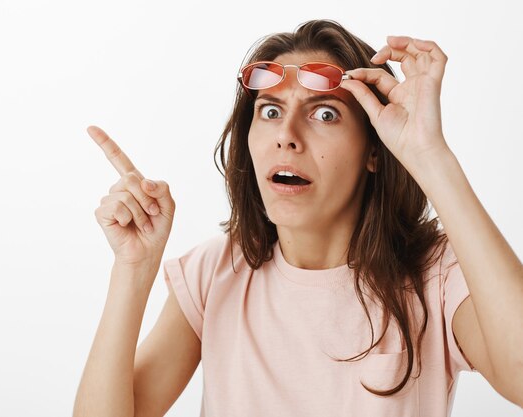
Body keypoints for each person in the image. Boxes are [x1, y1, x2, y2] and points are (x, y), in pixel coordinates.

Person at [72, 19, 523, 417]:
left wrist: (429, 155)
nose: (286, 136)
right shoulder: (214, 275)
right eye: (269, 111)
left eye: (323, 113)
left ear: (373, 150)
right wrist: (133, 271)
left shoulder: (436, 276)